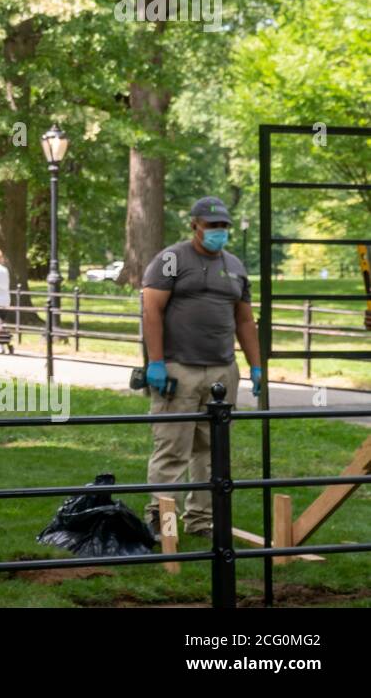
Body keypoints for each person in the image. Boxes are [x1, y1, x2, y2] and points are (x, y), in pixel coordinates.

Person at [140, 196, 262, 538]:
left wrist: (256, 366)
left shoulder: (235, 266)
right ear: (195, 225)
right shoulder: (170, 260)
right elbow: (152, 311)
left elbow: (245, 320)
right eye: (212, 226)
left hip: (223, 369)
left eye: (223, 226)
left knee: (212, 451)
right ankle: (160, 520)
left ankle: (200, 521)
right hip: (180, 368)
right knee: (172, 447)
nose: (218, 232)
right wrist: (156, 363)